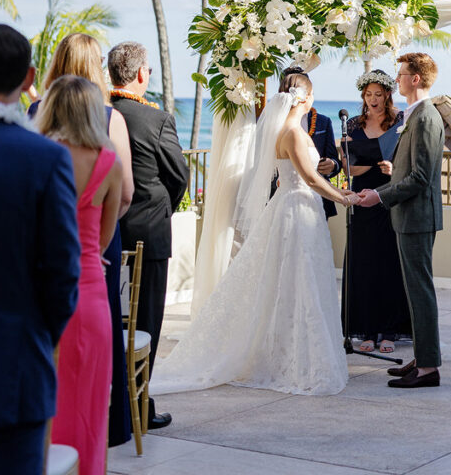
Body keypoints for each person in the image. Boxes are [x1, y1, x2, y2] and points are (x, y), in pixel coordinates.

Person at [152, 71, 358, 396]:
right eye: (313, 95)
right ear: (304, 99)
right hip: (295, 209)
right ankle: (297, 360)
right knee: (298, 282)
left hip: (299, 209)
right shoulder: (291, 133)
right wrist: (344, 196)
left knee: (299, 281)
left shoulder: (286, 130)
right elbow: (309, 178)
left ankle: (289, 351)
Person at [30, 32, 133, 447]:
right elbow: (125, 194)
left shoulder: (37, 116)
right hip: (93, 256)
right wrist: (94, 238)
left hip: (43, 259)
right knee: (95, 365)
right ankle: (114, 431)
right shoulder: (109, 122)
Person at [0, 24, 80, 475]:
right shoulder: (44, 158)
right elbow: (62, 270)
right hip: (14, 370)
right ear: (28, 78)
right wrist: (41, 334)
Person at [38, 75, 123, 475]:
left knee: (44, 407)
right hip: (89, 293)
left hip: (42, 294)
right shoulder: (109, 163)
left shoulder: (39, 156)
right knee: (90, 411)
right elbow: (102, 241)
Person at [108, 40, 189, 430]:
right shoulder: (155, 119)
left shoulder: (100, 114)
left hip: (106, 232)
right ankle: (139, 404)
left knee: (112, 318)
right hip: (148, 234)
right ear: (142, 74)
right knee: (146, 322)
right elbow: (179, 177)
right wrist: (160, 209)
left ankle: (111, 400)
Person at [357, 52, 445, 389]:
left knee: (420, 292)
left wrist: (380, 196)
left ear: (416, 79)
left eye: (402, 74)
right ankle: (423, 358)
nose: (397, 80)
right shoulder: (415, 114)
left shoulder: (424, 117)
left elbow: (421, 177)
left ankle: (428, 369)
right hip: (408, 214)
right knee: (414, 290)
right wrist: (381, 190)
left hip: (417, 216)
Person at [342, 69, 410, 353]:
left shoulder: (400, 121)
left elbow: (406, 158)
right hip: (361, 197)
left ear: (387, 95)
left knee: (390, 264)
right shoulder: (354, 125)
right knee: (365, 264)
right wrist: (369, 167)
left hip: (389, 197)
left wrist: (393, 169)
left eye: (378, 95)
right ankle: (367, 330)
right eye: (368, 95)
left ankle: (390, 332)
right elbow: (348, 167)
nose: (373, 100)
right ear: (363, 96)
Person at [279, 65, 341, 219]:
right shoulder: (277, 125)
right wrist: (344, 198)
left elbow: (334, 158)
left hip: (317, 199)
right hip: (288, 197)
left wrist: (333, 165)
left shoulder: (323, 122)